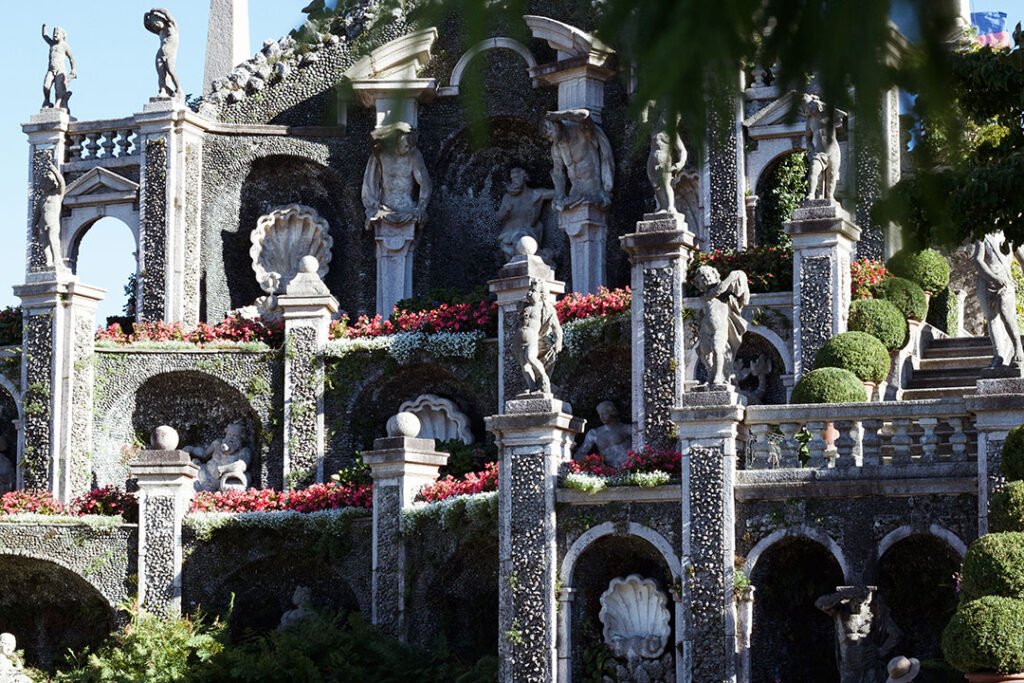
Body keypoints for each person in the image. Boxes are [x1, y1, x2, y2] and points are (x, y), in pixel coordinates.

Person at [361, 123, 432, 229]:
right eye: (406, 146)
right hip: (384, 209)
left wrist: (421, 207)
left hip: (407, 208)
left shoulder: (414, 155)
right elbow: (370, 183)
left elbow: (425, 183)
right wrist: (371, 207)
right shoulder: (380, 154)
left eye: (410, 146)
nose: (407, 149)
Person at [542, 109, 615, 210]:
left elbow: (584, 115)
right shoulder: (556, 147)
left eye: (549, 134)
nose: (550, 139)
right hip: (574, 192)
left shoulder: (581, 132)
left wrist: (559, 115)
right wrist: (560, 195)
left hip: (592, 188)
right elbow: (558, 172)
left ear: (555, 125)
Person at [974, 232, 1024, 372]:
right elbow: (978, 260)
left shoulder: (1010, 236)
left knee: (1006, 314)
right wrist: (992, 278)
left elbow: (1022, 259)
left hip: (1005, 282)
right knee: (992, 318)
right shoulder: (983, 236)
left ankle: (1018, 348)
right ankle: (999, 356)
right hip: (986, 281)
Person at [695, 266, 749, 388]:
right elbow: (718, 290)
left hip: (720, 328)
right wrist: (731, 277)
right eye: (702, 277)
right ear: (698, 283)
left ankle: (718, 376)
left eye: (708, 275)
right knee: (705, 354)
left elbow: (741, 298)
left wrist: (738, 277)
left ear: (715, 276)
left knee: (717, 349)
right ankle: (711, 374)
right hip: (705, 328)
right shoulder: (707, 294)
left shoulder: (726, 293)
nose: (706, 278)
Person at [496, 168, 555, 262]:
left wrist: (558, 180)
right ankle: (542, 256)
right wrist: (505, 211)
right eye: (512, 179)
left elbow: (555, 194)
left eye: (516, 177)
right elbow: (498, 217)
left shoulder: (535, 194)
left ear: (524, 177)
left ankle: (541, 257)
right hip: (507, 235)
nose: (513, 181)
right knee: (512, 264)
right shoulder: (507, 197)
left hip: (526, 234)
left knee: (520, 246)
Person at [515, 280, 563, 395]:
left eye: (533, 291)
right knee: (524, 365)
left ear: (542, 295)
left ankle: (544, 379)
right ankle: (532, 388)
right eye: (529, 290)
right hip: (518, 340)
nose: (530, 293)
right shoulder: (524, 307)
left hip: (533, 338)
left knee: (530, 358)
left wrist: (558, 342)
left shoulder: (546, 309)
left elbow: (557, 328)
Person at [642, 101, 687, 215]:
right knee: (655, 184)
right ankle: (662, 207)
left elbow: (682, 151)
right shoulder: (654, 130)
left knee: (665, 183)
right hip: (652, 157)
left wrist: (680, 164)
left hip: (664, 158)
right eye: (664, 116)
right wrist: (645, 106)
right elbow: (643, 121)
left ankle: (671, 207)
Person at [801, 93, 842, 202]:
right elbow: (808, 138)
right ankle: (811, 194)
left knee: (832, 175)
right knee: (814, 170)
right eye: (806, 108)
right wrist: (811, 149)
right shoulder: (809, 121)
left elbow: (839, 120)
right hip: (819, 151)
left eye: (810, 107)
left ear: (817, 106)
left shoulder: (828, 114)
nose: (808, 110)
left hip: (833, 150)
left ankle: (829, 197)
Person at [33, 154, 66, 272]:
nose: (45, 184)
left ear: (53, 184)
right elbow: (36, 214)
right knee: (44, 244)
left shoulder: (57, 195)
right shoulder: (42, 198)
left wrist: (53, 169)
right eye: (45, 182)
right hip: (42, 224)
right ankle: (48, 261)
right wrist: (33, 227)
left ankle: (57, 261)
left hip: (53, 223)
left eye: (48, 182)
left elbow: (62, 183)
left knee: (53, 241)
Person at [575, 401, 633, 467]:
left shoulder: (626, 429)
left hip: (628, 467)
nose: (601, 417)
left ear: (612, 412)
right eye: (600, 414)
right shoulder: (594, 433)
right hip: (607, 470)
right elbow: (581, 453)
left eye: (604, 414)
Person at [145, 9, 180, 99]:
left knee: (171, 71)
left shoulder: (171, 27)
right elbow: (147, 27)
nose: (155, 25)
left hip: (170, 53)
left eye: (156, 22)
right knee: (161, 73)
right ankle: (163, 90)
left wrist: (156, 10)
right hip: (161, 52)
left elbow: (167, 14)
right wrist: (145, 16)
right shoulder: (161, 31)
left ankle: (179, 89)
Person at [41, 24, 76, 110]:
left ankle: (58, 103)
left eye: (57, 33)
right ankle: (47, 101)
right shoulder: (52, 43)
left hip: (60, 69)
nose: (55, 35)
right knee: (46, 86)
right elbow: (45, 36)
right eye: (54, 33)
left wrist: (73, 69)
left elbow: (71, 58)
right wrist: (44, 28)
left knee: (58, 87)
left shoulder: (64, 46)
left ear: (62, 35)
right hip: (51, 69)